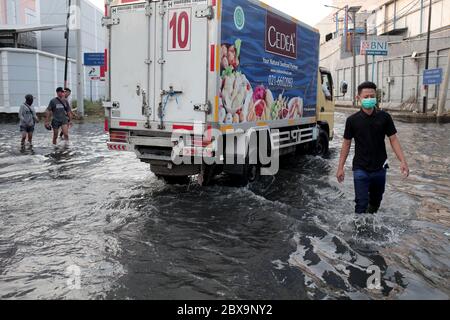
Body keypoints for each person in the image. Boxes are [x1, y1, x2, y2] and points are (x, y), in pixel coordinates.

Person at [336, 81, 410, 214]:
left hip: (380, 168)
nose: (369, 99)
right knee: (361, 203)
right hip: (360, 168)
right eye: (366, 97)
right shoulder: (352, 120)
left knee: (376, 202)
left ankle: (371, 224)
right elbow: (346, 144)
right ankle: (359, 232)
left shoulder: (385, 117)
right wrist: (340, 167)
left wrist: (403, 161)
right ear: (358, 98)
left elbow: (393, 139)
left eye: (372, 96)